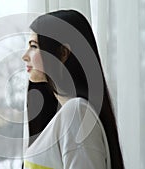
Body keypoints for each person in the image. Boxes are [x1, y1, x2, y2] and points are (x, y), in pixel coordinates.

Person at [22, 10, 124, 169]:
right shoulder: (71, 114)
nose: (25, 56)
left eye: (34, 46)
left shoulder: (76, 113)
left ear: (63, 53)